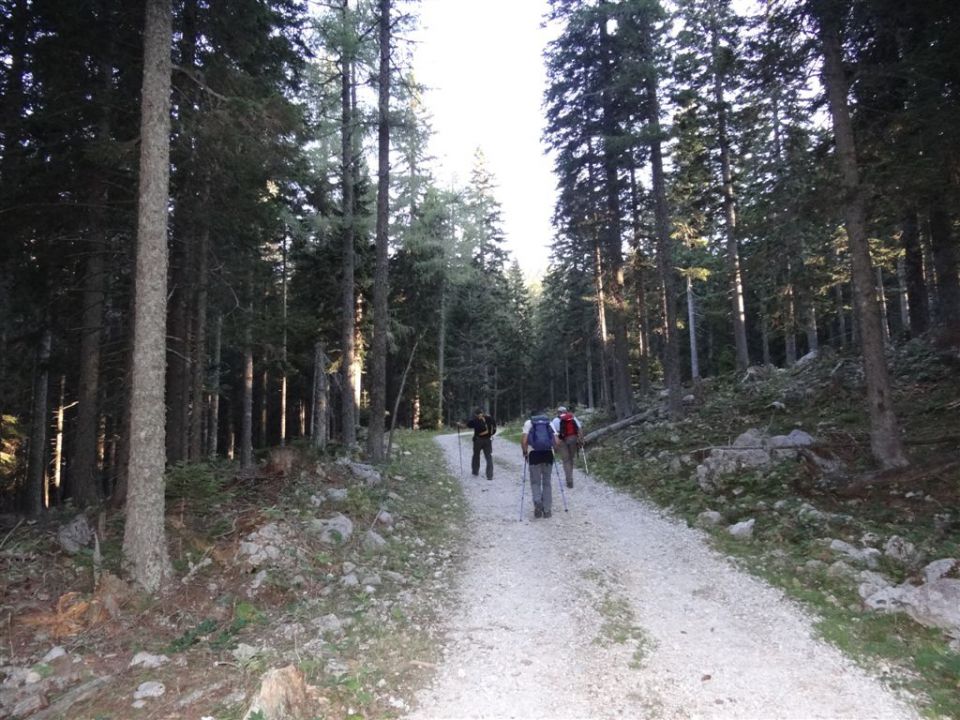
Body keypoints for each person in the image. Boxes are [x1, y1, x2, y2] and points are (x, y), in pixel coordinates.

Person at [521, 409, 556, 518]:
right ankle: (547, 510)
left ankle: (537, 502)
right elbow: (557, 441)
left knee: (535, 482)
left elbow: (524, 441)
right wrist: (554, 450)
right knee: (547, 482)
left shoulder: (529, 423)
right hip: (548, 454)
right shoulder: (549, 423)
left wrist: (525, 452)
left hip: (534, 455)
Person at [551, 405, 582, 488]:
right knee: (571, 459)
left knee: (566, 460)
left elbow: (553, 434)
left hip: (561, 441)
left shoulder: (555, 420)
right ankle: (570, 476)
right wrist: (580, 439)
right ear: (566, 411)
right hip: (572, 439)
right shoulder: (572, 418)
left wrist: (555, 446)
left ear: (558, 412)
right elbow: (579, 429)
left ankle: (569, 480)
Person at [463, 408, 496, 480]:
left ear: (475, 414)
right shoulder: (490, 418)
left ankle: (475, 472)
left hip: (478, 440)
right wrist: (490, 434)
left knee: (476, 455)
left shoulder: (475, 420)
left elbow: (468, 425)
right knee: (488, 457)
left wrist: (459, 425)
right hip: (488, 440)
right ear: (483, 412)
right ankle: (490, 475)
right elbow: (494, 428)